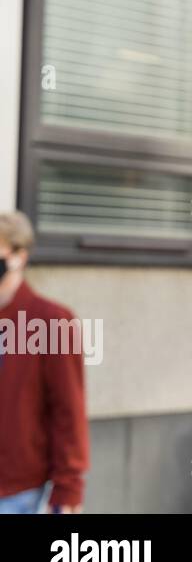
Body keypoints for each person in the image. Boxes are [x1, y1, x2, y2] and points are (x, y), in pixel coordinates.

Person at [0, 211, 89, 513]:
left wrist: (69, 489)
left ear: (19, 257)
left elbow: (68, 409)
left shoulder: (51, 321)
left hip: (20, 494)